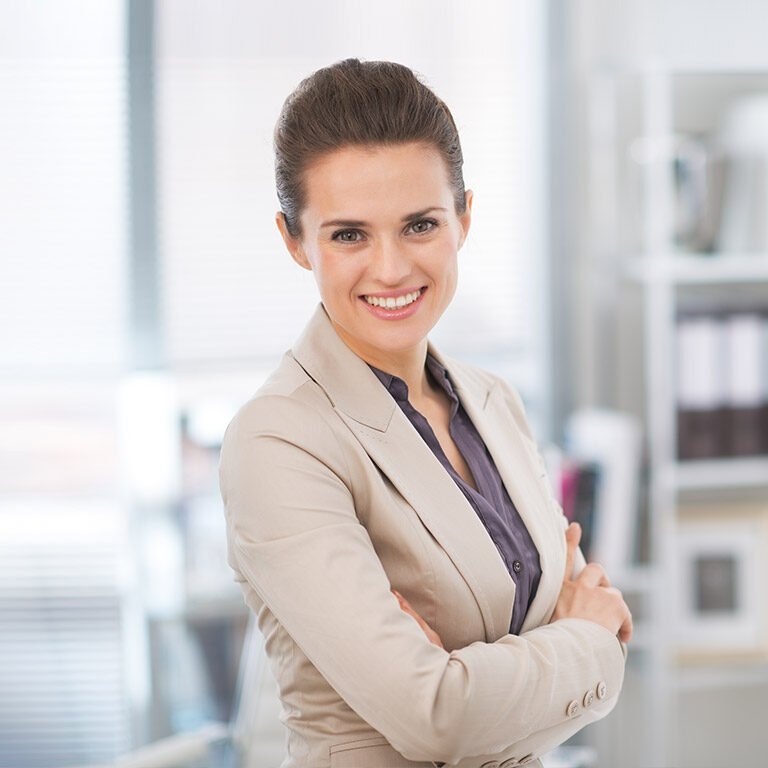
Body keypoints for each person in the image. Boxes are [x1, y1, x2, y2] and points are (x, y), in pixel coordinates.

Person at [218, 57, 632, 768]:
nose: (390, 269)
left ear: (463, 217)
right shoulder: (279, 441)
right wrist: (583, 642)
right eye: (349, 234)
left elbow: (499, 685)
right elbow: (438, 718)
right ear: (294, 241)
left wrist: (488, 679)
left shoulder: (494, 403)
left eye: (419, 224)